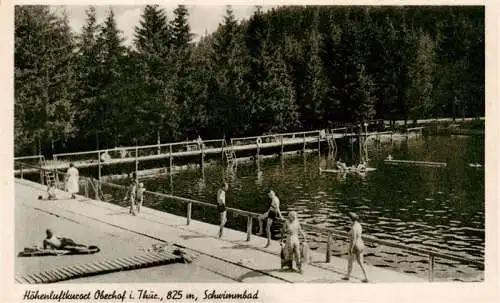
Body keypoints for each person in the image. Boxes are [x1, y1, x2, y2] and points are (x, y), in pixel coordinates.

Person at [342, 212, 369, 283]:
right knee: (361, 262)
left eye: (348, 219)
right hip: (361, 244)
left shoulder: (353, 227)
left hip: (355, 246)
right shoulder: (359, 225)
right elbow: (355, 234)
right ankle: (366, 277)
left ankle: (348, 276)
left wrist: (350, 248)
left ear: (351, 219)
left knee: (350, 261)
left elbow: (353, 239)